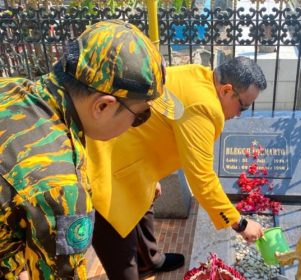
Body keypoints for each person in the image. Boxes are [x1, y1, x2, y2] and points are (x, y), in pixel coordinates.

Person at [0, 19, 183, 279]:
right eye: (140, 117)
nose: (136, 125)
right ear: (103, 107)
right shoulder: (62, 188)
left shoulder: (11, 88)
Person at [86, 56, 267, 279]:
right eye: (243, 106)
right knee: (120, 251)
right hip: (103, 170)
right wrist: (239, 223)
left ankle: (150, 262)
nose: (240, 114)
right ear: (227, 90)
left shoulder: (197, 74)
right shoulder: (204, 107)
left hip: (128, 155)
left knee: (143, 207)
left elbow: (163, 125)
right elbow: (202, 179)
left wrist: (151, 178)